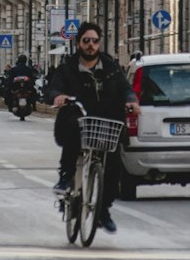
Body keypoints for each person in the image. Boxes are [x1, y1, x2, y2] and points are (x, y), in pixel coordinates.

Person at [47, 21, 137, 235]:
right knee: (73, 131)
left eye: (94, 41)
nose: (90, 45)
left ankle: (103, 211)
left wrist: (131, 101)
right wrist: (58, 96)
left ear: (99, 43)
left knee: (113, 168)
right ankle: (66, 177)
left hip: (106, 124)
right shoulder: (68, 68)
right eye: (86, 41)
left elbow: (126, 88)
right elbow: (54, 87)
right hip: (78, 119)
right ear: (78, 43)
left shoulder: (111, 68)